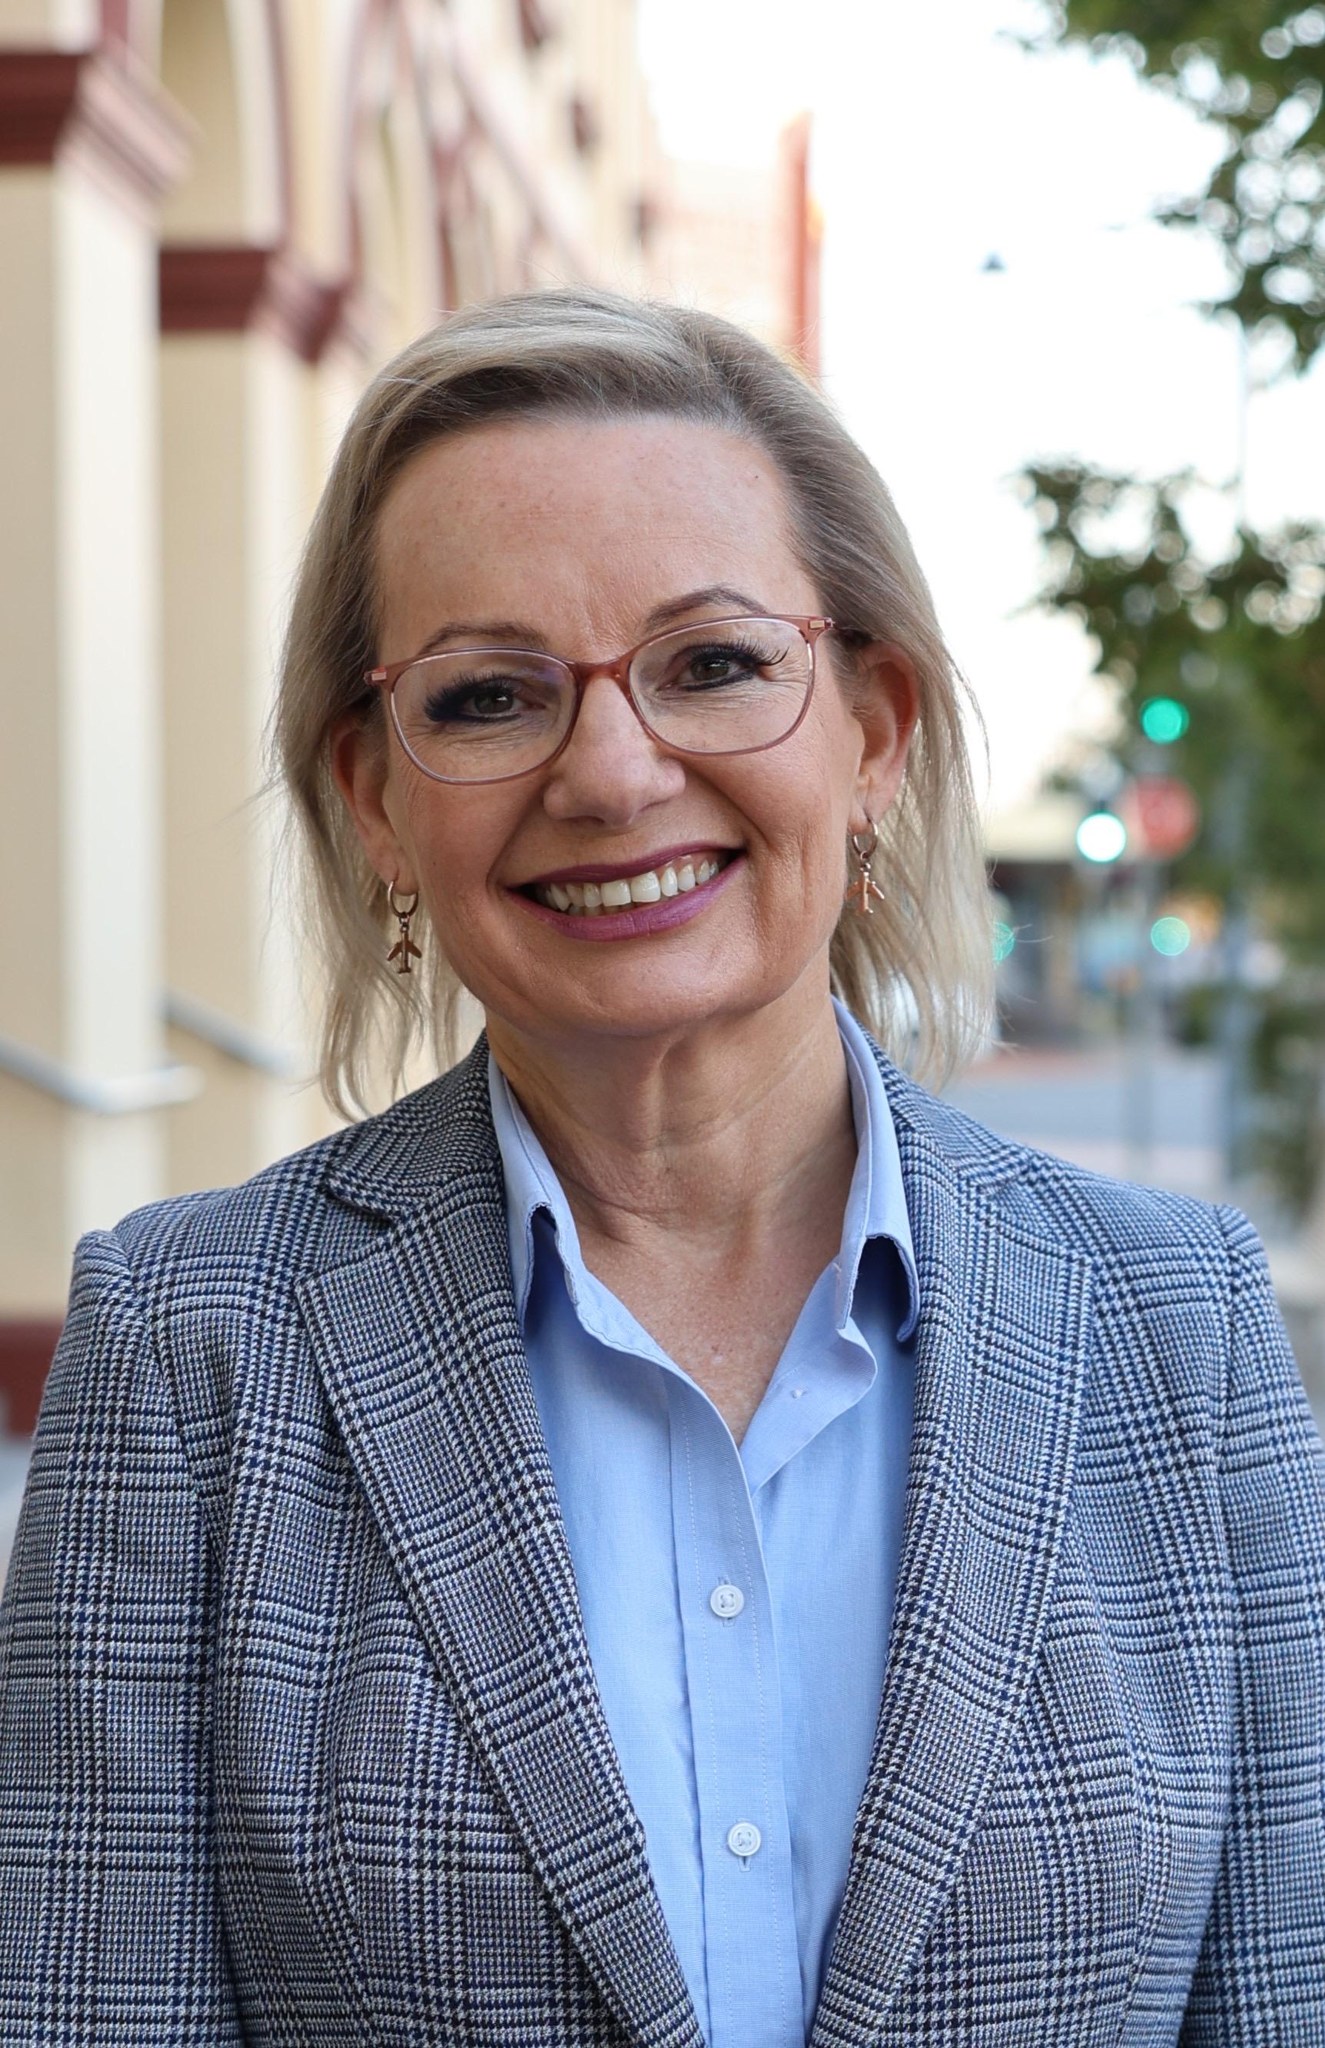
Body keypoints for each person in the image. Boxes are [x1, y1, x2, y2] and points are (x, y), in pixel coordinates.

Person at [1, 287, 1322, 2047]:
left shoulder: (1181, 1326)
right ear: (377, 798)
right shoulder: (189, 1347)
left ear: (871, 731)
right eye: (488, 696)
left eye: (710, 665)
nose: (614, 775)